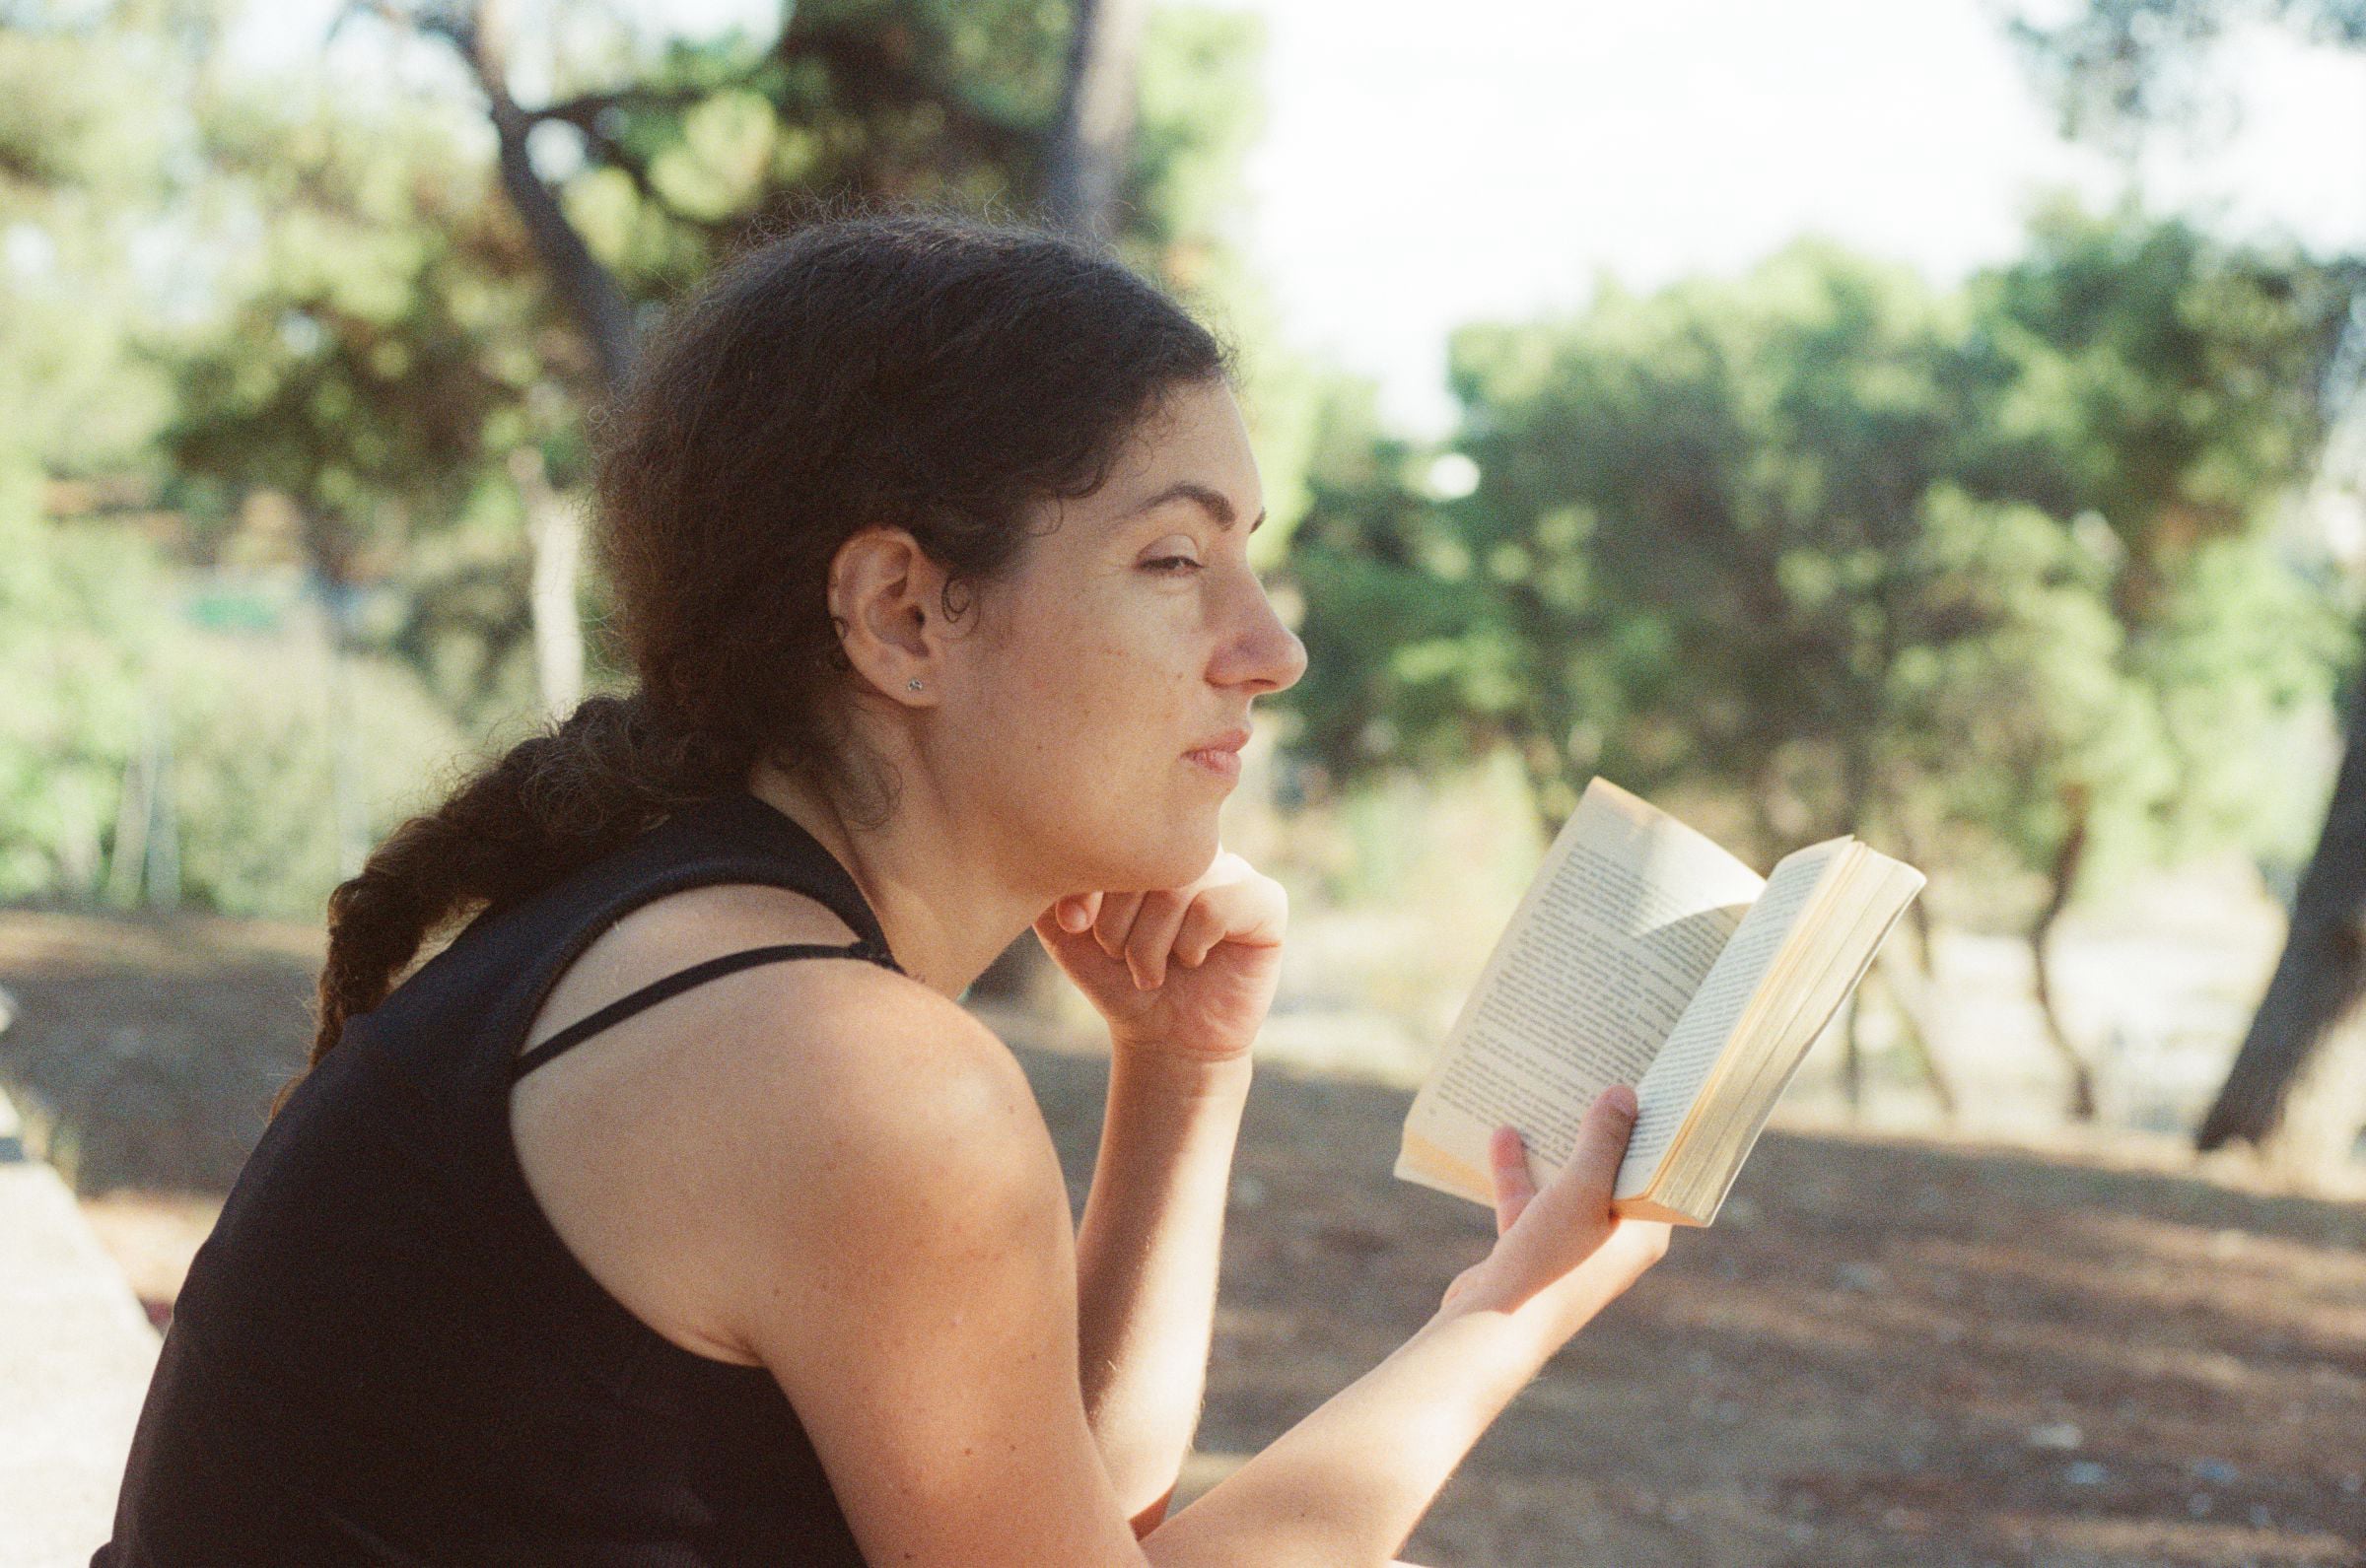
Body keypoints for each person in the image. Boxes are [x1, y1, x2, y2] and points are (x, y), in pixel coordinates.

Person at [94, 206, 1672, 1566]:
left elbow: (1072, 1507)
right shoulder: (832, 1068)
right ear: (904, 614)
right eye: (1176, 563)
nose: (1271, 649)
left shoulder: (674, 932)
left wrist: (1182, 1075)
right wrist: (1505, 1316)